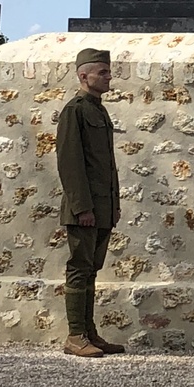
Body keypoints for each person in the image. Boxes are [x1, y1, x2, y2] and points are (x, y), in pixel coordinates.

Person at [56, 48, 124, 357]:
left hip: (102, 207)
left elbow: (106, 164)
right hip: (84, 208)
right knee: (79, 268)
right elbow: (70, 163)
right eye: (103, 73)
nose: (109, 77)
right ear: (84, 76)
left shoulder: (99, 110)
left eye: (108, 72)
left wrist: (114, 203)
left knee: (92, 270)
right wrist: (82, 207)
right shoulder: (76, 110)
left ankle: (89, 331)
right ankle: (75, 336)